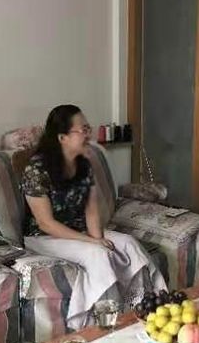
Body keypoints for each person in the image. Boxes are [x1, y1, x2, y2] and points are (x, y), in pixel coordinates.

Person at [21, 104, 166, 328]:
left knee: (128, 244)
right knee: (97, 253)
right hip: (43, 237)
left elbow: (91, 209)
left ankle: (146, 310)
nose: (89, 135)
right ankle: (102, 323)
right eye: (83, 130)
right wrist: (92, 242)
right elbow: (45, 223)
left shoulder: (84, 165)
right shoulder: (36, 170)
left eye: (88, 128)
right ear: (62, 137)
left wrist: (98, 237)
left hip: (78, 230)